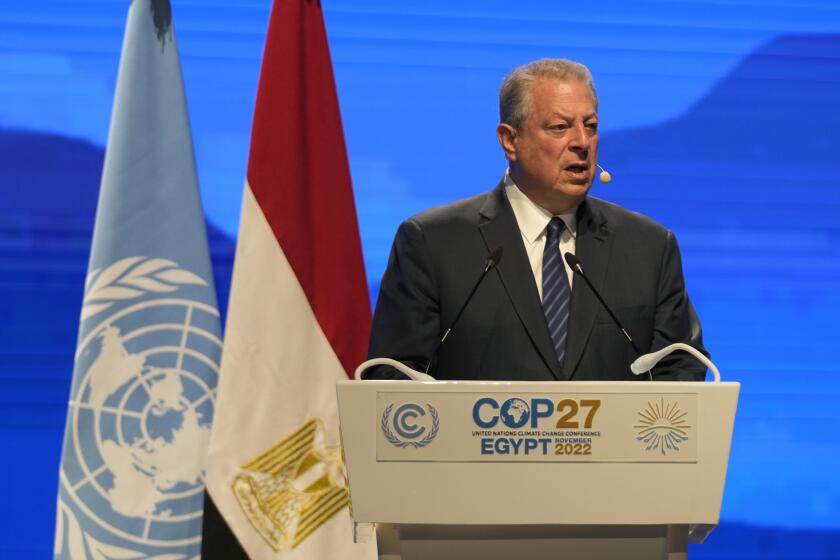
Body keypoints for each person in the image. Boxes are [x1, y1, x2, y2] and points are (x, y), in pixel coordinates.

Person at [366, 58, 707, 381]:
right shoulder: (432, 243)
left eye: (590, 126)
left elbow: (680, 368)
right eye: (560, 127)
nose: (582, 143)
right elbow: (394, 377)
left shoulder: (648, 247)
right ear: (510, 140)